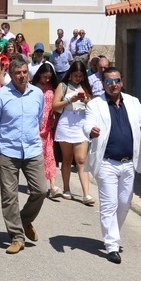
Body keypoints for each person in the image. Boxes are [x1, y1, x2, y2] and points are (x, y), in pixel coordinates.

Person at [84, 66, 141, 264]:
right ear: (103, 84)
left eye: (117, 81)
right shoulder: (95, 104)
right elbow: (87, 123)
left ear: (122, 81)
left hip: (128, 163)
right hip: (106, 163)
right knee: (110, 204)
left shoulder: (133, 102)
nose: (113, 85)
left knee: (125, 204)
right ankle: (112, 245)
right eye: (109, 82)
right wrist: (91, 131)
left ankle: (113, 234)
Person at [0, 57, 46, 254]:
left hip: (32, 149)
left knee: (40, 190)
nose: (22, 76)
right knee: (10, 196)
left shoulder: (37, 94)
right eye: (17, 73)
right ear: (10, 74)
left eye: (24, 72)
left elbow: (37, 120)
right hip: (8, 151)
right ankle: (17, 236)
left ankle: (25, 219)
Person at [53, 61, 94, 203]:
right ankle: (66, 188)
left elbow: (93, 106)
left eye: (81, 76)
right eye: (76, 75)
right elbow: (55, 105)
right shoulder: (63, 86)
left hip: (81, 123)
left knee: (81, 159)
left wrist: (86, 100)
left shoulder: (86, 87)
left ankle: (86, 194)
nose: (78, 78)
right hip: (66, 123)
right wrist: (70, 99)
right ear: (70, 75)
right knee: (67, 158)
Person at [31, 63, 61, 199]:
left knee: (49, 156)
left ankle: (53, 186)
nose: (47, 80)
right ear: (39, 75)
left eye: (49, 77)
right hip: (34, 128)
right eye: (45, 77)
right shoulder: (32, 88)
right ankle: (36, 185)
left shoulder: (53, 88)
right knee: (36, 158)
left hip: (48, 127)